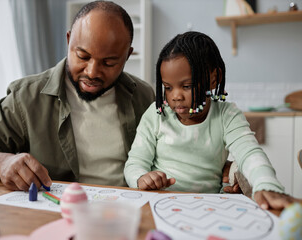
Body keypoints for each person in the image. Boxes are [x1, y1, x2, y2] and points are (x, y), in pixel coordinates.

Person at [0, 1, 155, 191]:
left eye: (109, 63)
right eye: (83, 56)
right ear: (69, 40)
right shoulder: (27, 96)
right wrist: (3, 162)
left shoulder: (145, 97)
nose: (92, 72)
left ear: (127, 56)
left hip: (126, 212)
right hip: (58, 213)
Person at [124, 31, 295, 210]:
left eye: (187, 86)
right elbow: (135, 162)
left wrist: (267, 185)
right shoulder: (156, 114)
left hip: (208, 205)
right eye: (167, 87)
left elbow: (250, 153)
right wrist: (141, 178)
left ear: (214, 78)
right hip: (159, 203)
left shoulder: (226, 115)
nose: (175, 96)